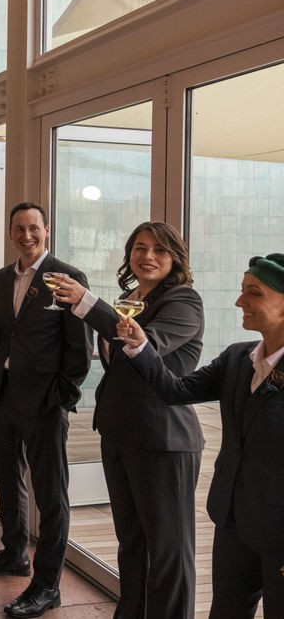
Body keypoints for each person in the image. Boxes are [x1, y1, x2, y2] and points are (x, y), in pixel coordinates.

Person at [117, 253, 284, 619]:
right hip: (233, 522)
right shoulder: (238, 358)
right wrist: (140, 346)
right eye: (242, 291)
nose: (240, 301)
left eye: (253, 293)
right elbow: (175, 391)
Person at [51, 221, 204, 618]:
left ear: (175, 258)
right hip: (119, 432)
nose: (148, 256)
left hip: (163, 439)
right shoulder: (129, 296)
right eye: (139, 247)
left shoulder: (184, 301)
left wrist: (86, 303)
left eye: (159, 250)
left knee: (168, 549)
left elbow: (142, 343)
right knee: (131, 541)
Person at [0, 202, 93, 618]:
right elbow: (0, 332)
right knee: (7, 480)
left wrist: (62, 397)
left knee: (51, 495)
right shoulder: (1, 278)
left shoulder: (69, 278)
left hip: (44, 402)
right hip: (2, 397)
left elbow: (80, 351)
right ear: (10, 233)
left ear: (46, 230)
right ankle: (13, 552)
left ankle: (46, 584)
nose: (26, 235)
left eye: (33, 227)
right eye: (19, 228)